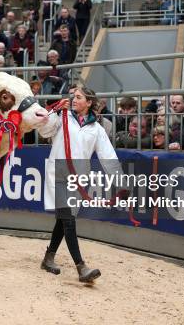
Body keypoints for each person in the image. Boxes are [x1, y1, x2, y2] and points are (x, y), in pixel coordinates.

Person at [38, 86, 121, 283]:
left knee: (64, 219)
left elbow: (108, 155)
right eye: (73, 97)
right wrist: (55, 110)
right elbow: (43, 130)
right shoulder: (62, 117)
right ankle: (81, 267)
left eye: (78, 97)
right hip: (57, 174)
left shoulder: (97, 129)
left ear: (89, 102)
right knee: (68, 220)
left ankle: (48, 257)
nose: (74, 100)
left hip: (77, 179)